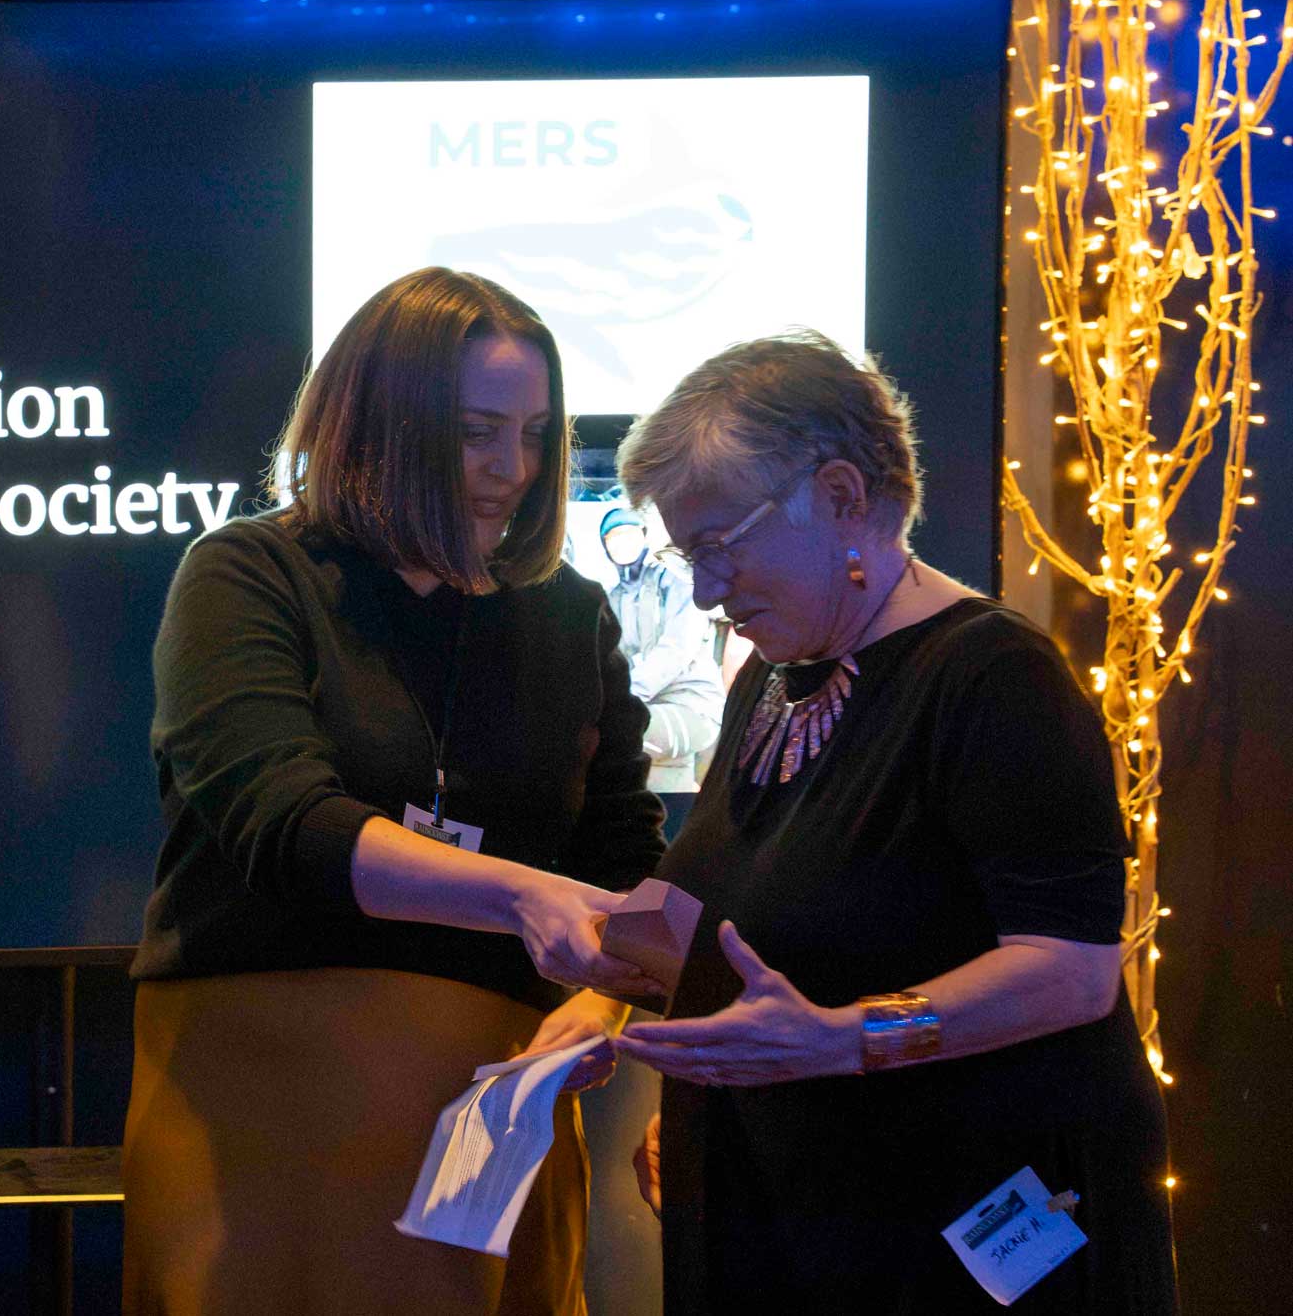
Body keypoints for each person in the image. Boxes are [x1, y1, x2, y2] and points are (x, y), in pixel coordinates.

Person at [123, 267, 668, 1316]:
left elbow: (621, 862)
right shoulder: (247, 574)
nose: (509, 468)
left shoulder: (568, 616)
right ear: (374, 421)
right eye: (472, 433)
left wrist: (602, 1000)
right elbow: (283, 824)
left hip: (489, 1098)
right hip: (257, 1085)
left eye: (532, 434)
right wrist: (518, 894)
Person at [610, 332, 1177, 1313]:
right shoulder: (773, 682)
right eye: (683, 553)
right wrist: (575, 965)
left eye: (715, 546)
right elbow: (721, 902)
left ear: (838, 496)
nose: (701, 589)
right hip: (803, 1209)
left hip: (959, 1234)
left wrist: (843, 1039)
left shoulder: (993, 680)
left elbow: (1072, 970)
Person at [594, 487, 724, 832]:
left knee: (617, 730)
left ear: (644, 537)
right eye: (613, 538)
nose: (621, 543)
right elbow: (613, 658)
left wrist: (624, 695)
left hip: (690, 705)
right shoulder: (614, 595)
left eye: (629, 534)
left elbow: (676, 650)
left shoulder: (676, 580)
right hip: (648, 705)